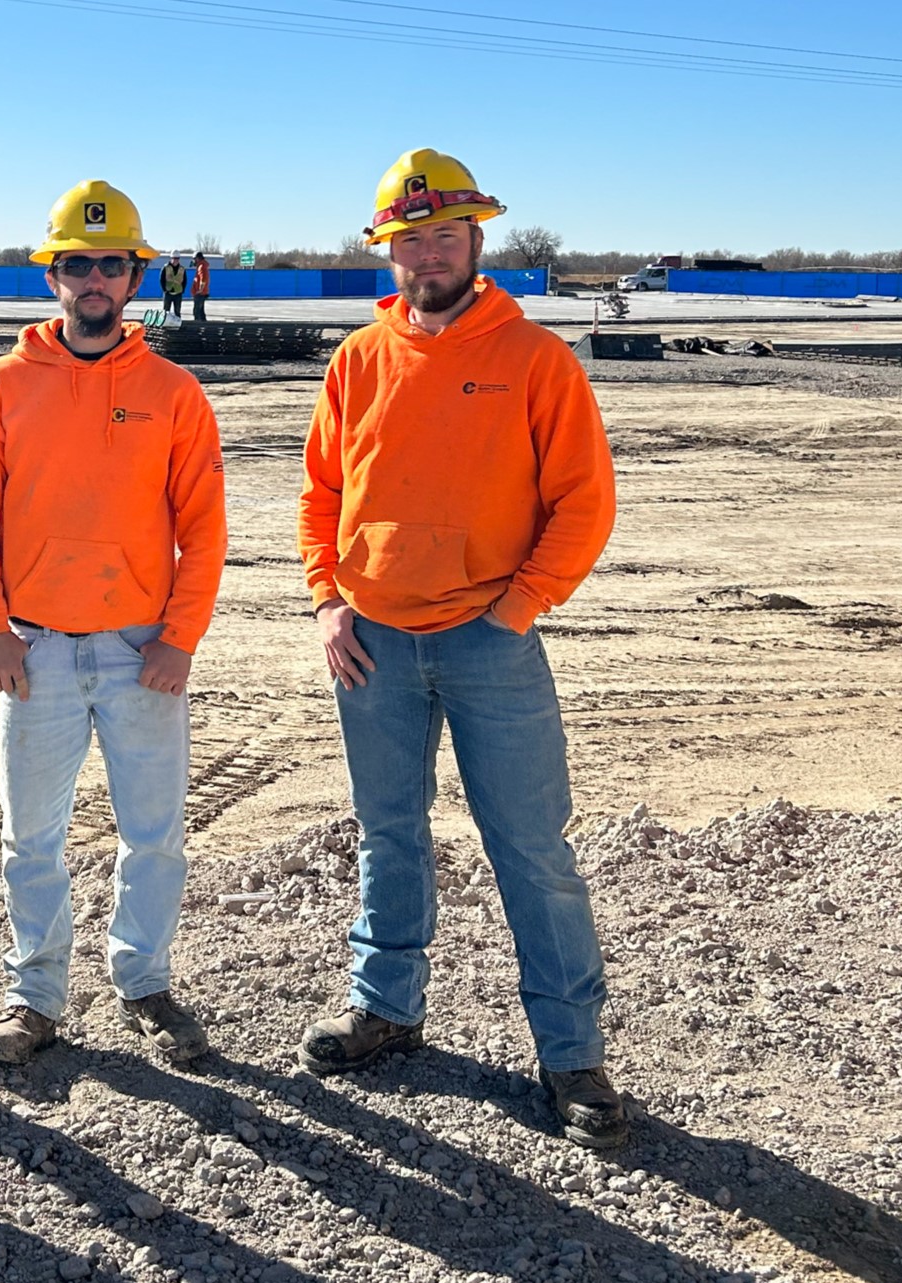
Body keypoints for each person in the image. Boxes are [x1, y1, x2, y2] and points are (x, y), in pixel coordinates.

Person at [296, 149, 625, 1148]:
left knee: (532, 847)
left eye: (446, 236)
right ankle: (385, 1005)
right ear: (387, 252)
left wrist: (521, 606)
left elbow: (584, 502)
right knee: (388, 831)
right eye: (410, 240)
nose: (427, 254)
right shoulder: (358, 361)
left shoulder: (535, 359)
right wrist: (328, 601)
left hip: (492, 640)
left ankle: (572, 1054)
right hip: (375, 641)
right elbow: (319, 495)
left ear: (478, 242)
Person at [0, 180, 227, 1066]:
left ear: (135, 276)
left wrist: (179, 636)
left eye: (111, 264)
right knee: (31, 835)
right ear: (54, 279)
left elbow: (204, 527)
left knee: (154, 832)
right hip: (35, 652)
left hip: (142, 648)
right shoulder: (1, 387)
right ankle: (34, 995)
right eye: (78, 264)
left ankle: (143, 981)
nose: (95, 279)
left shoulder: (173, 392)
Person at [160, 252, 186, 318]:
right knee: (166, 311)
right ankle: (165, 325)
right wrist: (164, 290)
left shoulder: (182, 268)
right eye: (174, 258)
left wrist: (183, 290)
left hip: (178, 293)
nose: (175, 260)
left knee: (177, 312)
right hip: (168, 292)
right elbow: (161, 279)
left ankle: (177, 325)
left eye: (177, 258)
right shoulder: (165, 267)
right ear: (171, 258)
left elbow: (185, 280)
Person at [190, 252, 210, 322]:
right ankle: (204, 326)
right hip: (201, 293)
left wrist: (200, 290)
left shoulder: (201, 266)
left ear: (197, 259)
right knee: (201, 311)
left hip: (200, 293)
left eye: (194, 259)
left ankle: (197, 327)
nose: (193, 261)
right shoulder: (201, 266)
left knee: (197, 311)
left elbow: (203, 279)